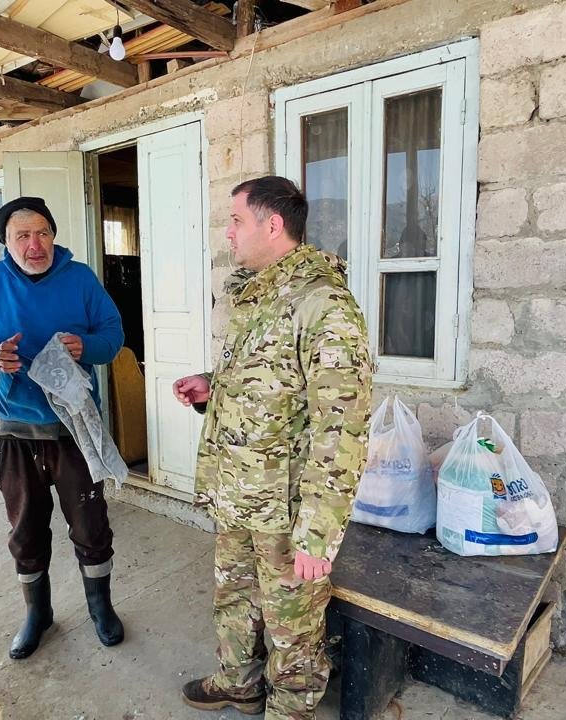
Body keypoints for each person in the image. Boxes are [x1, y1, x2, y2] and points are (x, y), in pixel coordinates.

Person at [174, 176, 373, 719]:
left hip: (286, 511)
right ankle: (238, 682)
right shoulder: (257, 293)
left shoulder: (324, 304)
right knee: (234, 596)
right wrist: (212, 387)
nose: (228, 233)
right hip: (239, 492)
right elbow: (271, 381)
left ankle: (291, 710)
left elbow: (342, 427)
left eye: (236, 220)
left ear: (273, 225)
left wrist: (318, 533)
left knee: (294, 626)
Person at [0, 196, 126, 660]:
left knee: (91, 526)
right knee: (26, 531)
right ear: (6, 243)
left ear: (53, 235)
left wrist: (86, 346)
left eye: (43, 233)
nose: (35, 245)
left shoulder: (80, 278)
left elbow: (113, 336)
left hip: (74, 427)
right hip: (17, 429)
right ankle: (38, 613)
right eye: (23, 236)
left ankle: (101, 607)